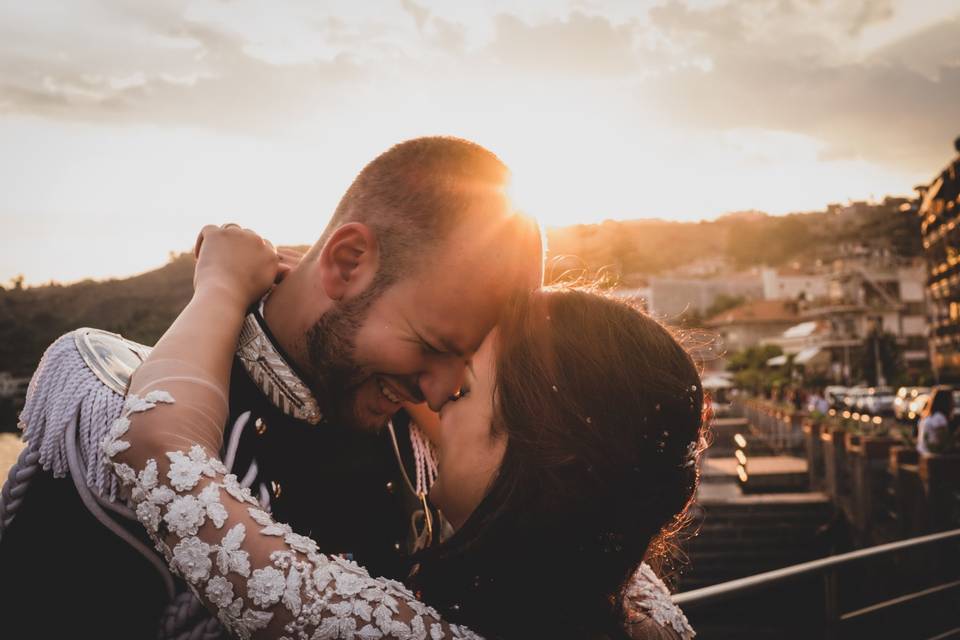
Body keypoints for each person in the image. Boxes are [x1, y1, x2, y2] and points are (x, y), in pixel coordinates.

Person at [0, 137, 543, 638]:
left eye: (465, 363)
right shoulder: (112, 420)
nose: (439, 391)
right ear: (348, 263)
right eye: (431, 344)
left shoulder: (420, 449)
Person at [102, 225, 703, 639]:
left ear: (534, 462)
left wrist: (223, 285)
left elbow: (156, 446)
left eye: (463, 389)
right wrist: (339, 306)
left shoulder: (385, 629)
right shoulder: (631, 597)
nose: (432, 394)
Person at [917, 387, 955, 455]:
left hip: (922, 453)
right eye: (951, 399)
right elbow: (943, 443)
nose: (953, 402)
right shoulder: (939, 418)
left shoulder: (928, 416)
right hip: (932, 455)